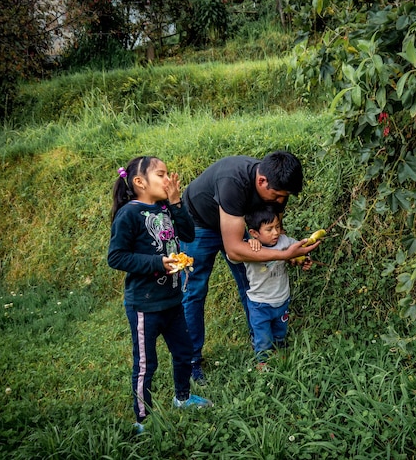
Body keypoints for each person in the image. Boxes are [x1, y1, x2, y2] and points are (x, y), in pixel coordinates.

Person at [180, 150, 320, 384]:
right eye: (276, 196)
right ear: (261, 181)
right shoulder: (233, 182)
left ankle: (262, 345)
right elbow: (234, 249)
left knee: (250, 285)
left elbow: (277, 232)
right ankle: (191, 361)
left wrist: (293, 256)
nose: (279, 202)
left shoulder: (276, 189)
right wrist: (284, 255)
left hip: (232, 222)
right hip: (198, 223)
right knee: (194, 292)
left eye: (283, 197)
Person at [107, 156, 213, 435]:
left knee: (184, 352)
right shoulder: (129, 214)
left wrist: (177, 202)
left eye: (168, 174)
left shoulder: (166, 207)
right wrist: (157, 264)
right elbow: (116, 257)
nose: (168, 179)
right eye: (161, 174)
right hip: (145, 304)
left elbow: (189, 233)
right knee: (146, 364)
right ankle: (142, 418)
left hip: (172, 299)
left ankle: (182, 398)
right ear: (140, 182)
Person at [233, 206, 313, 370]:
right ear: (254, 232)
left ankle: (279, 351)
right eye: (269, 229)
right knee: (262, 335)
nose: (276, 232)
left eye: (277, 226)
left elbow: (298, 250)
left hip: (282, 299)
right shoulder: (250, 248)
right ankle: (263, 362)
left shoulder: (284, 241)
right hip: (259, 303)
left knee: (280, 330)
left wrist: (305, 260)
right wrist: (248, 242)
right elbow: (232, 256)